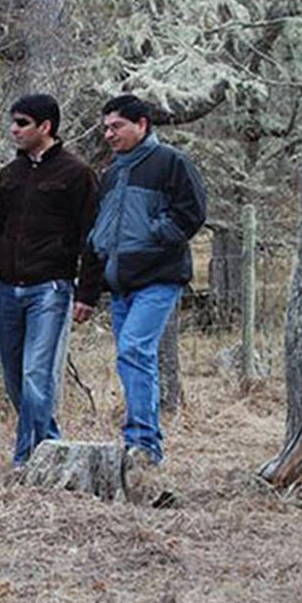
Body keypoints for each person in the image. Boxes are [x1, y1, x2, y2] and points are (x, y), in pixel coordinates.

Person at [0, 94, 101, 466]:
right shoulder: (10, 174)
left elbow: (93, 237)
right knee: (14, 377)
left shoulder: (77, 173)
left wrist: (86, 293)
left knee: (37, 375)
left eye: (22, 123)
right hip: (9, 289)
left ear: (46, 127)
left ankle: (26, 461)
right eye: (13, 122)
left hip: (51, 289)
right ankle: (49, 444)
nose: (14, 129)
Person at [87, 94, 206, 467]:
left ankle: (144, 445)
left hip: (158, 277)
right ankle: (141, 442)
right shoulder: (113, 172)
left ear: (142, 124)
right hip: (121, 284)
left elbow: (192, 212)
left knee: (135, 350)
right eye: (105, 127)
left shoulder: (171, 162)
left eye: (117, 126)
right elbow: (102, 225)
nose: (109, 134)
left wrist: (155, 235)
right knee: (131, 359)